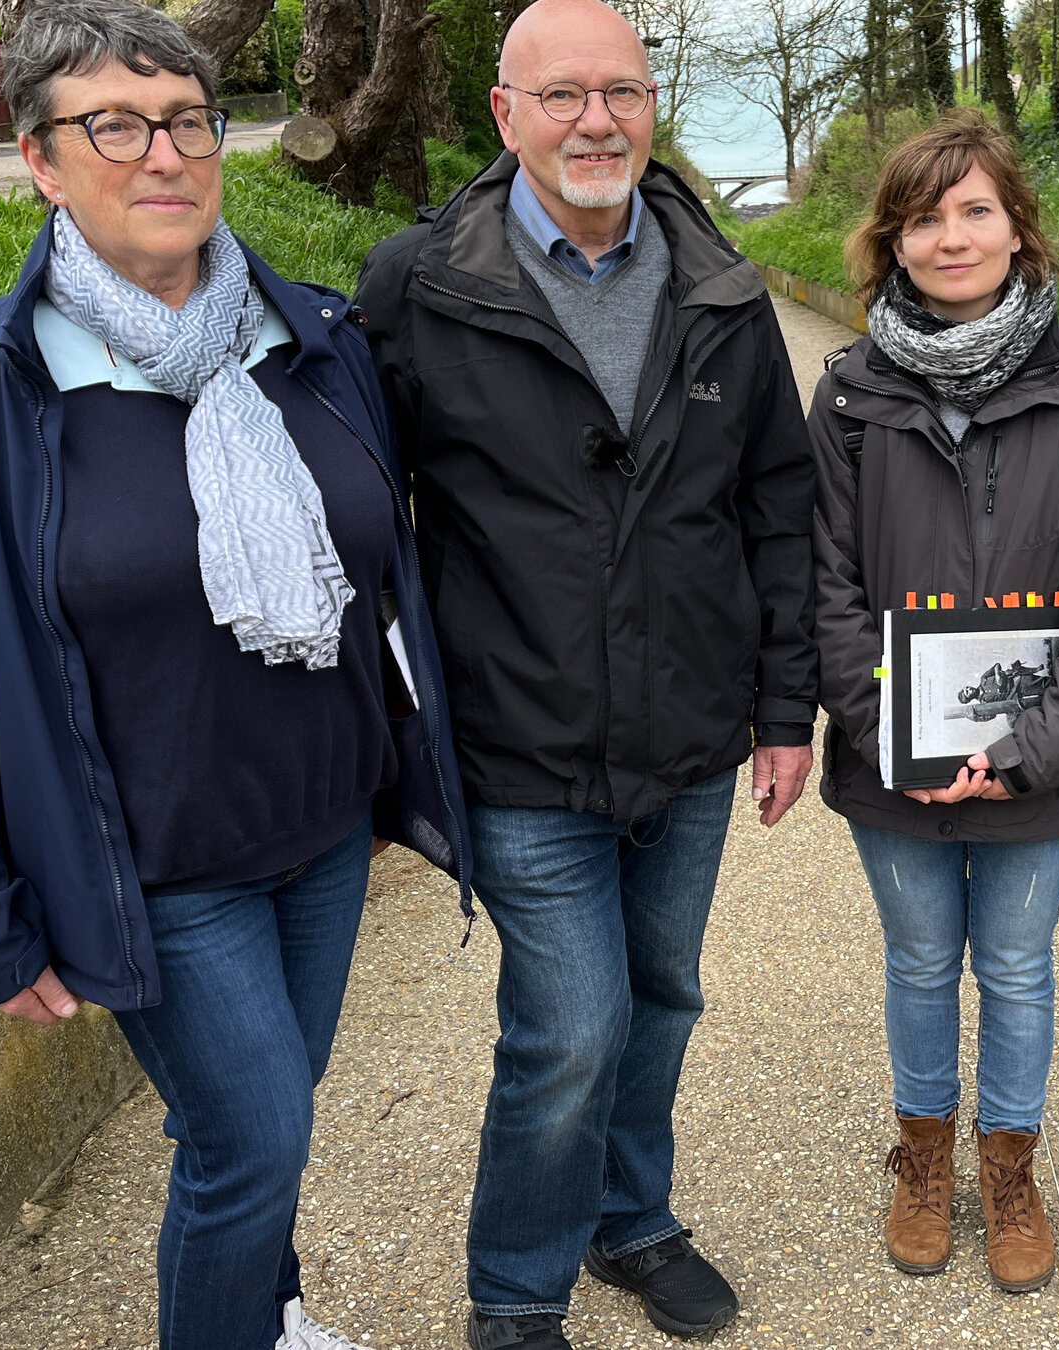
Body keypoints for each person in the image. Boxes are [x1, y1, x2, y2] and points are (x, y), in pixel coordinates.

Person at [0, 3, 469, 1348]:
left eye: (188, 122)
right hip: (160, 869)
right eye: (114, 127)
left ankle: (275, 1313)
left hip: (322, 833)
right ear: (41, 159)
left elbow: (384, 572)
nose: (163, 157)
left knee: (272, 1117)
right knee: (247, 1144)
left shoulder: (306, 344)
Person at [349, 1, 816, 1345]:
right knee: (568, 1028)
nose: (595, 119)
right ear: (506, 115)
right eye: (562, 95)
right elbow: (360, 519)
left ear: (652, 107)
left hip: (691, 739)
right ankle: (516, 1288)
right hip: (521, 743)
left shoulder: (721, 289)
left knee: (662, 995)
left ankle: (631, 1214)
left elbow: (776, 508)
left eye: (619, 91)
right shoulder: (416, 288)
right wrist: (386, 745)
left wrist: (784, 708)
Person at [811, 112, 1059, 1295]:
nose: (950, 237)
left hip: (1038, 765)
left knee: (1014, 966)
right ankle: (923, 1162)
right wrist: (893, 736)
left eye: (974, 211)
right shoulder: (849, 400)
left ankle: (1009, 1169)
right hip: (892, 764)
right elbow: (828, 587)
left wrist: (1031, 747)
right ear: (891, 244)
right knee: (917, 964)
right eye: (923, 217)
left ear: (1017, 229)